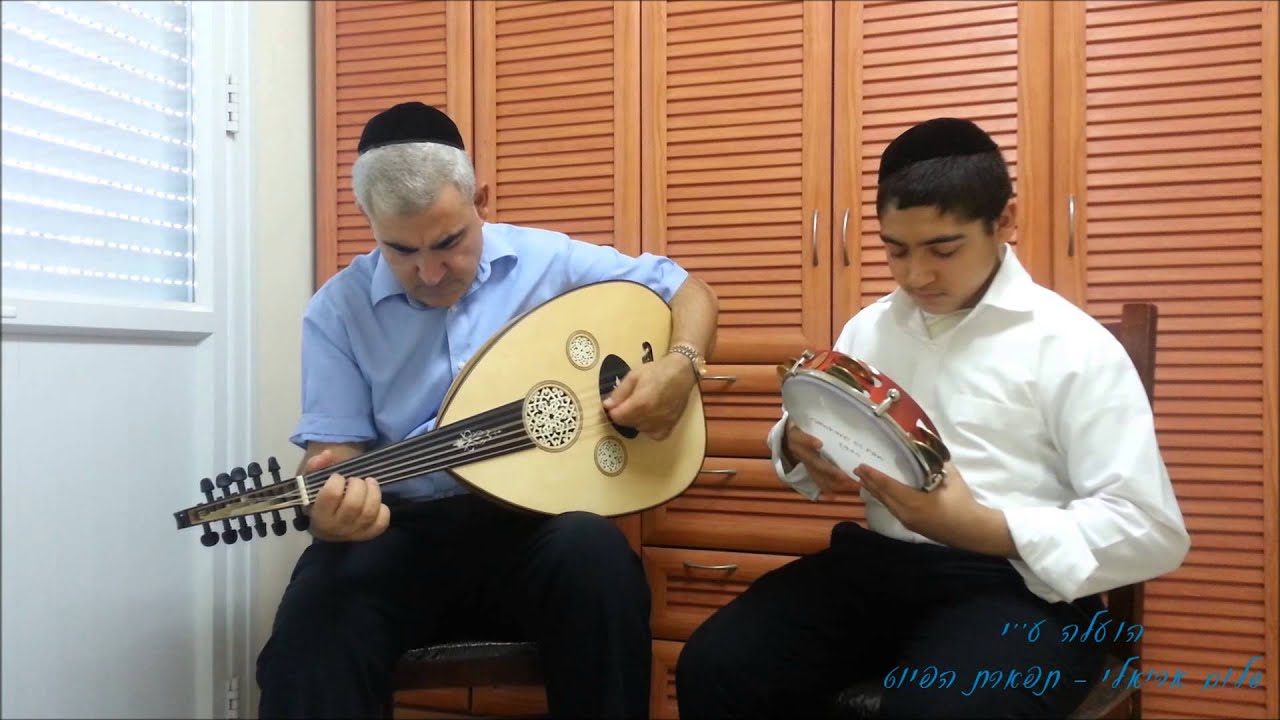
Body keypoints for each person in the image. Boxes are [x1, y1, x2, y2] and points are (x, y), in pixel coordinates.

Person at [674, 118, 1189, 719]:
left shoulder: (1073, 345)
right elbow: (810, 430)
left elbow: (1151, 530)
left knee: (941, 710)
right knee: (716, 665)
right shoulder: (869, 328)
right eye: (896, 250)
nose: (916, 275)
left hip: (1022, 589)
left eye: (943, 250)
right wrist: (795, 442)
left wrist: (982, 528)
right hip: (877, 568)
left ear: (1005, 221)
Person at [256, 101, 719, 720]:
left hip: (532, 524)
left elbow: (688, 290)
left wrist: (680, 366)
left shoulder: (547, 261)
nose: (428, 272)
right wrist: (329, 508)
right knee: (310, 631)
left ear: (481, 201)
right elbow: (334, 455)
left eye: (448, 242)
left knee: (598, 559)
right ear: (371, 223)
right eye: (400, 249)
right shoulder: (336, 311)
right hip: (400, 532)